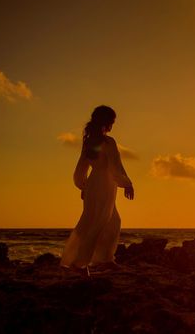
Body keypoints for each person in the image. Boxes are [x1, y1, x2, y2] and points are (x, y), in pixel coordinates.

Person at [60, 105, 134, 276]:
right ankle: (79, 264)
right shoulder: (108, 142)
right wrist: (127, 183)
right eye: (112, 122)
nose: (112, 125)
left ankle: (105, 259)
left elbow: (81, 169)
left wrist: (83, 186)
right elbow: (115, 167)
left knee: (111, 221)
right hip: (104, 184)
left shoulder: (91, 141)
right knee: (98, 223)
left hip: (94, 184)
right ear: (106, 122)